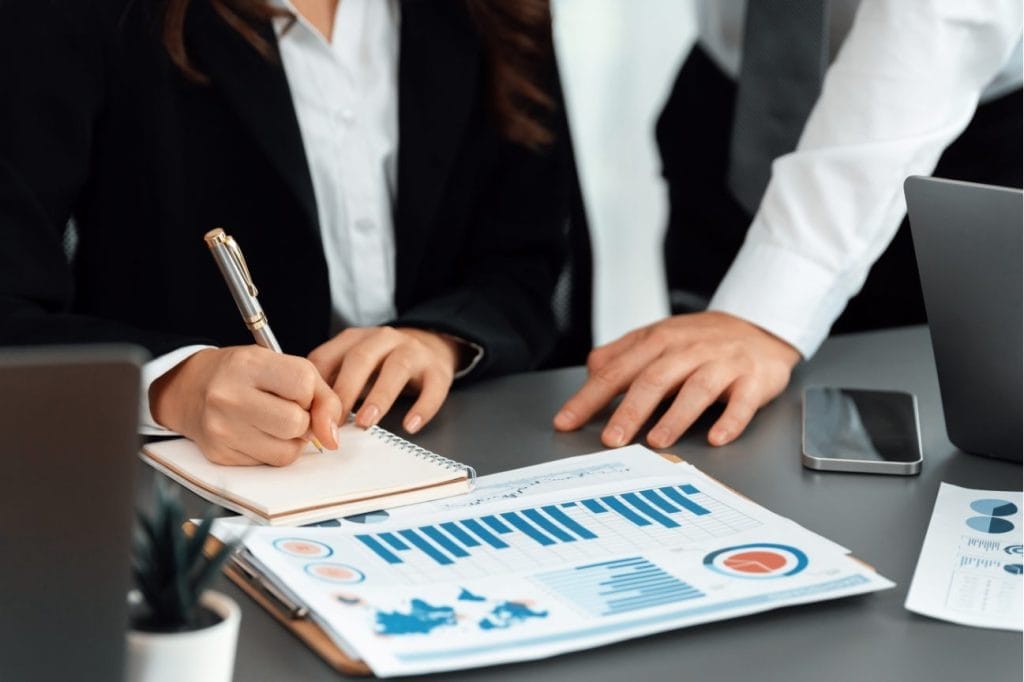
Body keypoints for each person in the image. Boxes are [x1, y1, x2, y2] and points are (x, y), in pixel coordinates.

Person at [0, 0, 574, 465]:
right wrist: (173, 384)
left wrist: (441, 339)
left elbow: (528, 259)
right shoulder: (74, 16)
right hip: (183, 486)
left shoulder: (499, 12)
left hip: (450, 451)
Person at [555, 0, 1023, 449]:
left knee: (942, 428)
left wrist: (762, 313)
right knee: (717, 415)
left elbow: (934, 25)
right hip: (737, 104)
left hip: (953, 127)